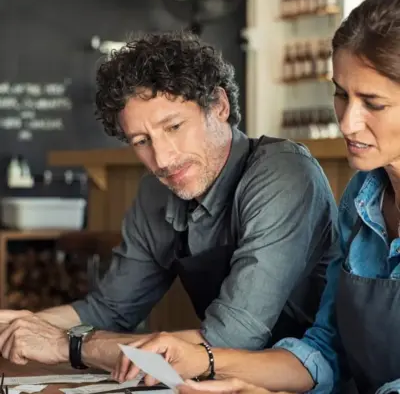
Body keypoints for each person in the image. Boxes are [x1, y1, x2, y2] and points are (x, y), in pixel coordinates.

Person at [0, 31, 338, 372]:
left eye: (174, 126)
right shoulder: (156, 193)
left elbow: (230, 338)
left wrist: (70, 346)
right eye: (142, 140)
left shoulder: (283, 173)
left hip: (313, 382)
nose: (162, 159)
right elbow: (109, 310)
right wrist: (20, 327)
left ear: (219, 106)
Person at [111, 0, 400, 393]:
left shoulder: (283, 170)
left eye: (374, 104)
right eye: (341, 94)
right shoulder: (360, 199)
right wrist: (203, 359)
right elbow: (326, 349)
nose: (348, 123)